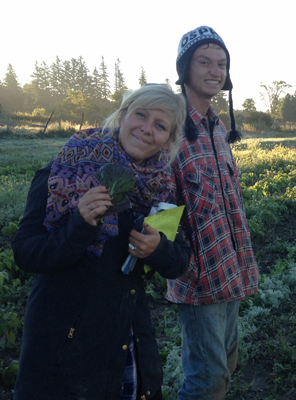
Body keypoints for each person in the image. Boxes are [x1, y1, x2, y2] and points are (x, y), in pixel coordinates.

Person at [12, 84, 191, 400]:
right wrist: (79, 227)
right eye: (141, 115)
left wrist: (158, 249)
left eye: (160, 125)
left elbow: (179, 259)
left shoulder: (161, 186)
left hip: (127, 339)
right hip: (64, 349)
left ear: (170, 138)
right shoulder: (66, 166)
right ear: (123, 115)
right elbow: (26, 252)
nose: (147, 129)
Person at [167, 26, 259, 400]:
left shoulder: (218, 127)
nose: (214, 71)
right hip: (199, 274)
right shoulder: (169, 126)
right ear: (185, 68)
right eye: (204, 62)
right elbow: (158, 203)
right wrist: (174, 257)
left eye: (221, 64)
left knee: (228, 362)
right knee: (207, 380)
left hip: (229, 264)